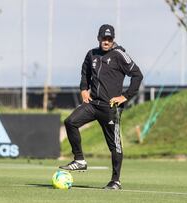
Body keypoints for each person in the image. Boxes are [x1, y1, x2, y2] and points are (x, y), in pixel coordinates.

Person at [59, 24, 143, 190]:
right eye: (103, 38)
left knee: (115, 145)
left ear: (113, 39)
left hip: (110, 108)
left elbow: (137, 75)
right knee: (70, 122)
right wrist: (84, 89)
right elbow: (85, 73)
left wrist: (125, 96)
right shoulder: (91, 54)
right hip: (92, 104)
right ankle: (79, 160)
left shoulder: (120, 55)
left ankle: (115, 181)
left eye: (109, 38)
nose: (106, 41)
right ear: (98, 38)